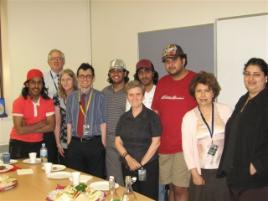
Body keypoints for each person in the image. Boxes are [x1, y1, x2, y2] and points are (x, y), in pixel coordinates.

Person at [217, 58, 268, 201]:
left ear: (266, 78)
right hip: (236, 174)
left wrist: (257, 165)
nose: (250, 78)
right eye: (247, 73)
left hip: (255, 181)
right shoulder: (243, 99)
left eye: (256, 74)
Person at [152, 44, 196, 201]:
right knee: (171, 186)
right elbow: (155, 113)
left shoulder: (195, 80)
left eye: (174, 60)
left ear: (183, 60)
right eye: (166, 61)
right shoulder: (162, 83)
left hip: (184, 146)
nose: (170, 64)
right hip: (164, 146)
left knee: (181, 188)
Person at [182, 71, 232, 201]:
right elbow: (187, 148)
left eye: (207, 90)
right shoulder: (189, 117)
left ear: (213, 92)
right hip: (201, 172)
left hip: (223, 172)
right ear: (194, 93)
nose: (203, 95)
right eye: (199, 91)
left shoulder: (226, 111)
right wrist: (194, 173)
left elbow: (234, 140)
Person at [115, 80, 162, 200]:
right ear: (127, 96)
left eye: (138, 94)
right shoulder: (123, 118)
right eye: (131, 94)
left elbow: (156, 143)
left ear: (143, 95)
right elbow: (117, 141)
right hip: (127, 167)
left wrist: (140, 164)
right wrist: (128, 158)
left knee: (147, 197)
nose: (134, 98)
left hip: (147, 167)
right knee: (131, 196)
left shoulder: (152, 116)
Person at [133, 58, 167, 201]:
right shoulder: (134, 94)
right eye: (140, 72)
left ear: (153, 73)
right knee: (138, 189)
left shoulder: (160, 91)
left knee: (157, 189)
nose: (144, 75)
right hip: (137, 148)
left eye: (147, 71)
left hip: (156, 148)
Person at [66, 63, 106, 178]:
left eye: (88, 76)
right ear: (77, 78)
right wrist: (69, 143)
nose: (85, 78)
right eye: (82, 76)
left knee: (96, 179)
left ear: (93, 78)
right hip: (75, 144)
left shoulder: (100, 96)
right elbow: (69, 122)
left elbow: (103, 122)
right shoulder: (71, 97)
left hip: (94, 144)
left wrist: (103, 144)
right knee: (76, 179)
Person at [9, 69, 55, 159]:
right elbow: (19, 130)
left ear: (43, 85)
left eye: (39, 83)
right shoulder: (18, 102)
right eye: (33, 82)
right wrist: (41, 124)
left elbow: (51, 127)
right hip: (18, 143)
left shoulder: (48, 102)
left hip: (39, 144)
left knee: (38, 172)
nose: (36, 86)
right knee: (20, 172)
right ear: (27, 84)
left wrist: (27, 128)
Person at [102, 58, 129, 185]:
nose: (116, 73)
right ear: (109, 74)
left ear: (125, 73)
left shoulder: (130, 91)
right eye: (113, 71)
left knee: (129, 178)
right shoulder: (104, 92)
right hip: (110, 140)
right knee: (114, 178)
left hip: (127, 140)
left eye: (119, 70)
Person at [44, 49, 65, 163]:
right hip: (50, 124)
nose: (56, 61)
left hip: (66, 124)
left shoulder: (71, 78)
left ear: (63, 61)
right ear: (48, 62)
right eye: (53, 59)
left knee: (67, 158)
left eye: (59, 58)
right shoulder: (43, 79)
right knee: (51, 158)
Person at [54, 69, 78, 165]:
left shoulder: (81, 95)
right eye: (62, 80)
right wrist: (58, 143)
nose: (65, 82)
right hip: (64, 140)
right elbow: (57, 123)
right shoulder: (57, 97)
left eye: (68, 79)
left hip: (78, 139)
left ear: (74, 81)